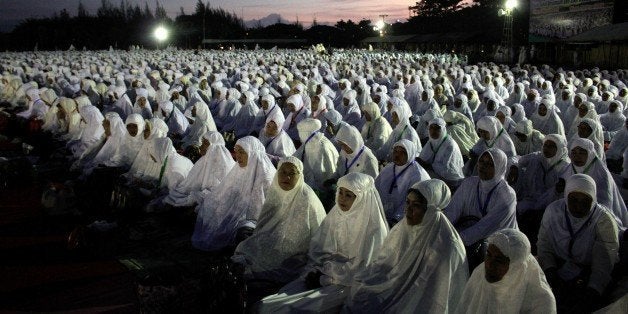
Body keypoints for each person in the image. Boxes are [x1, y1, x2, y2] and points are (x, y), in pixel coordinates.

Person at [258, 172, 388, 313]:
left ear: (362, 198)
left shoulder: (373, 229)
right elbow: (319, 249)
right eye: (340, 192)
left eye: (349, 195)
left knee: (289, 308)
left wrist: (325, 276)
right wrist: (316, 270)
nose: (342, 199)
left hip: (349, 284)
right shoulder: (336, 214)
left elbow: (362, 270)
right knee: (270, 302)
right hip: (324, 273)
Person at [346, 179, 468, 313]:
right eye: (407, 203)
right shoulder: (402, 228)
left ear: (430, 210)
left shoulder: (447, 245)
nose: (408, 210)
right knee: (360, 290)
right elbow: (384, 261)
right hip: (394, 284)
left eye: (416, 205)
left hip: (419, 297)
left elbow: (435, 294)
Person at [232, 156, 326, 284]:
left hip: (295, 249)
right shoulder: (276, 189)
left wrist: (272, 241)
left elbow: (299, 238)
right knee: (246, 246)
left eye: (292, 173)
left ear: (300, 176)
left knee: (273, 261)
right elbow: (264, 221)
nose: (286, 177)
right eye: (282, 172)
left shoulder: (306, 199)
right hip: (273, 236)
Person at [538, 174, 620, 312]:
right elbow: (544, 245)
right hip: (558, 266)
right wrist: (550, 272)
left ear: (593, 200)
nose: (578, 206)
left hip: (588, 272)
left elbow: (603, 264)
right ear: (566, 196)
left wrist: (592, 291)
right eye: (573, 200)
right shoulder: (553, 211)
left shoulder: (603, 221)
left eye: (585, 201)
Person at [191, 136, 276, 251]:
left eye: (242, 152)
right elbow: (227, 191)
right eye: (236, 152)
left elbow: (260, 207)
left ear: (252, 153)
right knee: (208, 208)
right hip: (240, 208)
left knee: (242, 231)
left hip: (256, 219)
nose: (238, 156)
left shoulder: (266, 175)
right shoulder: (240, 168)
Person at [444, 148, 518, 270]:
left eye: (489, 164)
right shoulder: (469, 183)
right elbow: (452, 211)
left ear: (499, 168)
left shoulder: (506, 196)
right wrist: (443, 230)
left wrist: (454, 240)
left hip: (498, 240)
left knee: (486, 256)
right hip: (468, 233)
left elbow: (484, 228)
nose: (483, 166)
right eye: (481, 161)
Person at [456, 228, 556, 314]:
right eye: (488, 255)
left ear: (516, 267)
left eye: (499, 261)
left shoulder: (541, 303)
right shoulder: (479, 275)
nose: (489, 264)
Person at [561, 138, 628, 234]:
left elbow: (605, 202)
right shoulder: (568, 169)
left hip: (593, 215)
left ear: (590, 154)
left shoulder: (600, 173)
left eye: (582, 153)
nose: (577, 157)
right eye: (574, 153)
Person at [165, 131, 236, 207]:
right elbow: (190, 183)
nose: (201, 146)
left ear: (213, 146)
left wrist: (198, 196)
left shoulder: (222, 165)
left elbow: (218, 192)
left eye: (205, 144)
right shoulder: (204, 160)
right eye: (202, 143)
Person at [376, 139, 430, 227]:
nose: (397, 155)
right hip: (381, 214)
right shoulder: (388, 168)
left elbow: (412, 203)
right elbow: (376, 188)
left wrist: (396, 219)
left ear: (410, 154)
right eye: (395, 151)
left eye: (403, 152)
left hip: (402, 220)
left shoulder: (418, 175)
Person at [293, 118, 338, 192]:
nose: (299, 136)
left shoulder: (322, 146)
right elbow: (297, 156)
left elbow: (321, 174)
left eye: (300, 133)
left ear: (305, 133)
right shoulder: (310, 141)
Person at [418, 118, 465, 188]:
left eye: (437, 128)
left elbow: (448, 170)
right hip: (435, 173)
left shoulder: (450, 145)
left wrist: (429, 166)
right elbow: (423, 157)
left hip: (450, 180)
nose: (433, 131)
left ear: (442, 129)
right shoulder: (431, 141)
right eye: (431, 128)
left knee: (422, 178)